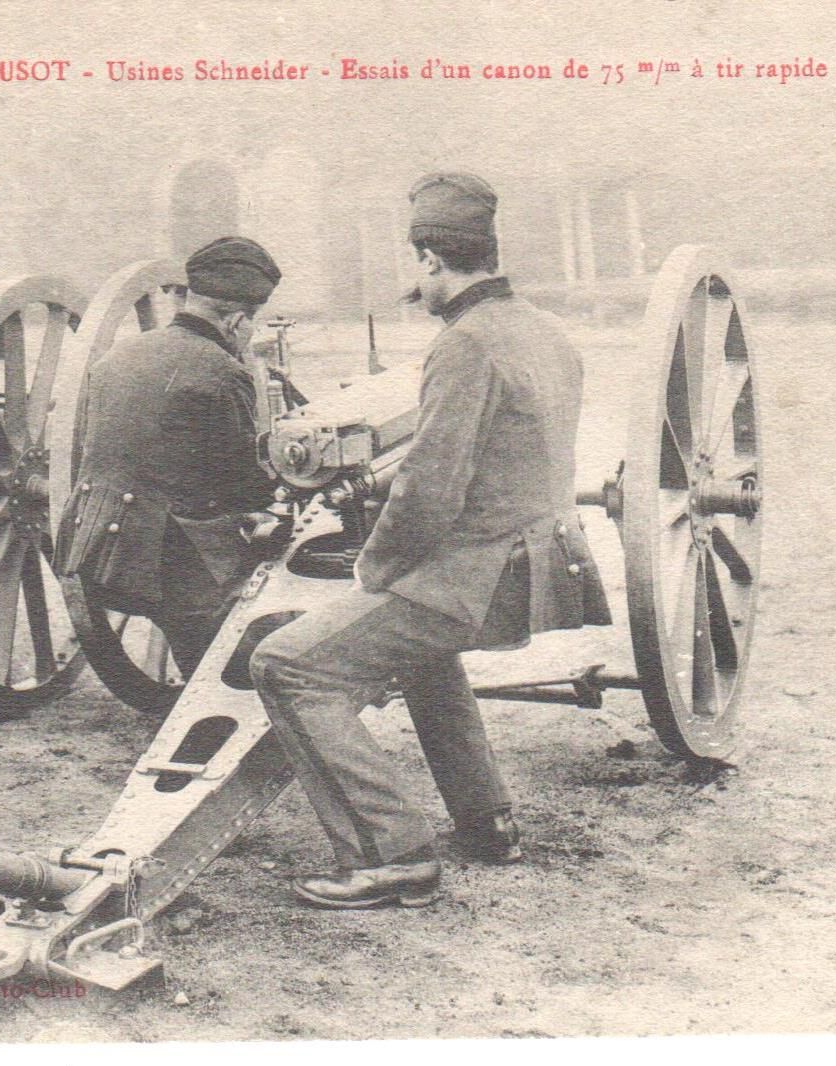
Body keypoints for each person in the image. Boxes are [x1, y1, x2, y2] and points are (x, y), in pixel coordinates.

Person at [248, 172, 611, 907]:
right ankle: (486, 821)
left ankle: (391, 856)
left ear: (430, 260)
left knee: (287, 665)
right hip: (537, 566)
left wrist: (372, 569)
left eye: (420, 275)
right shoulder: (543, 331)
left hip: (474, 577)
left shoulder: (465, 344)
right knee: (417, 652)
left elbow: (431, 489)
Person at [55, 237, 283, 677]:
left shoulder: (118, 354)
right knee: (272, 612)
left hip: (94, 552)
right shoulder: (222, 371)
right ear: (237, 320)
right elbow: (245, 485)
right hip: (165, 572)